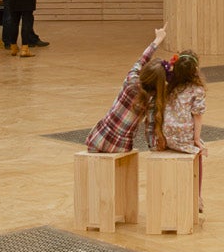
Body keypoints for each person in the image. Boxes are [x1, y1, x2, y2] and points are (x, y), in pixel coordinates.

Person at [142, 49, 208, 214]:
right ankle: (197, 197)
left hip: (166, 136)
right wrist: (197, 140)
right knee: (198, 154)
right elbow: (197, 116)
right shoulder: (197, 90)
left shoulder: (169, 86)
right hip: (183, 139)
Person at [85, 27, 170, 150]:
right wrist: (154, 148)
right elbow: (150, 128)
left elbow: (142, 59)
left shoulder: (131, 79)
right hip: (121, 146)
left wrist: (158, 39)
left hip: (99, 137)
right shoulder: (152, 99)